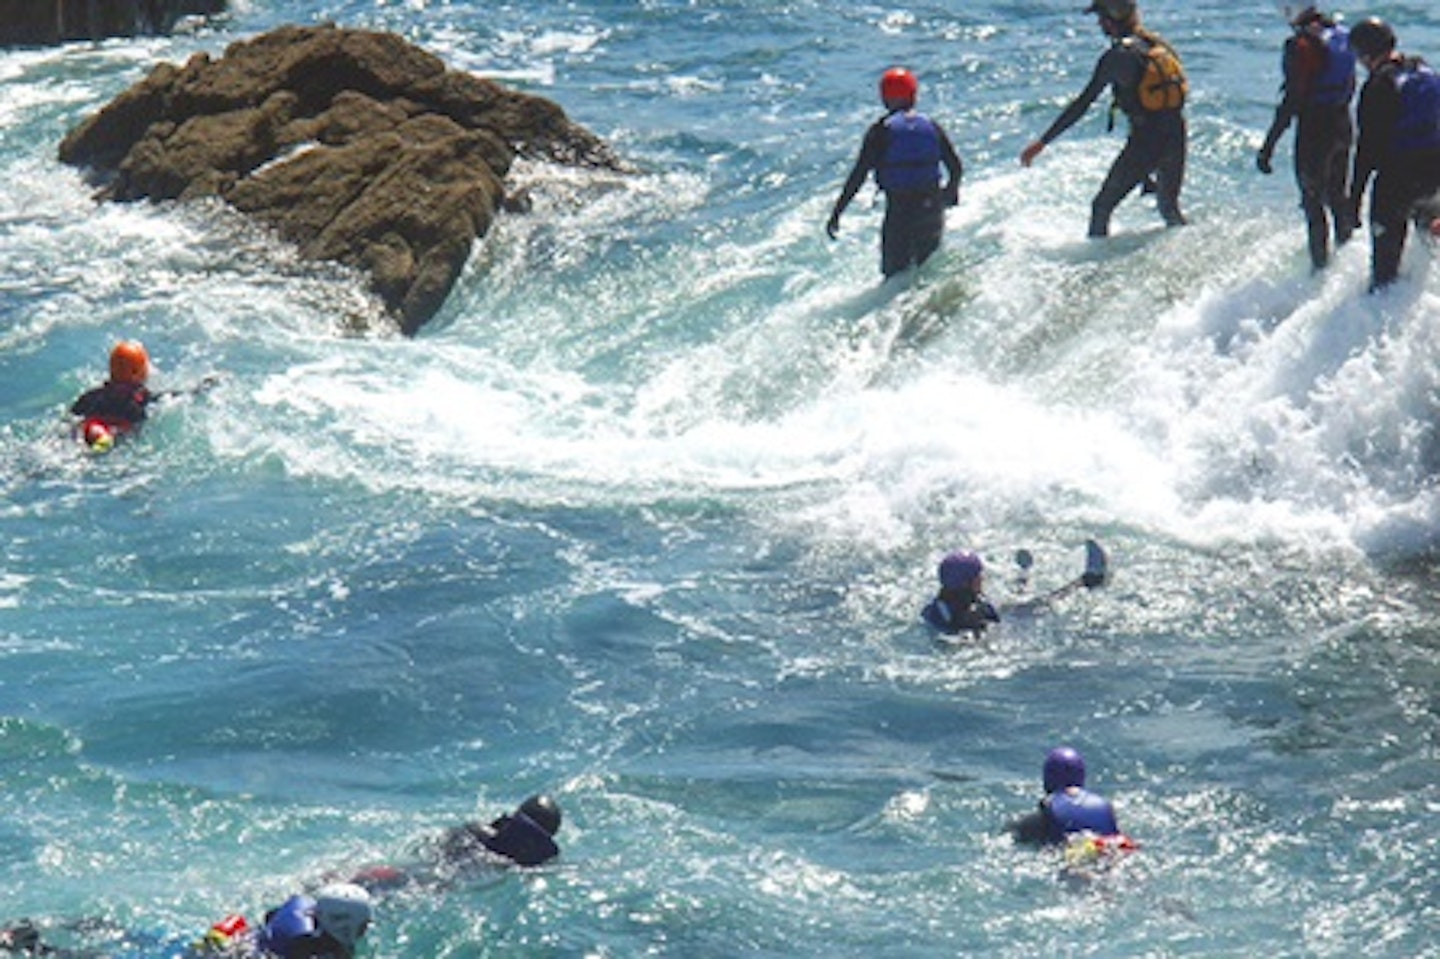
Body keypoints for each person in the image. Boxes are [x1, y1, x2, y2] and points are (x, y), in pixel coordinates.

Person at [1019, 0, 1188, 238]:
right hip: (1176, 135)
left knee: (1101, 207)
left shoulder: (1117, 57)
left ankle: (1094, 270)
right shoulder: (1157, 46)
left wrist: (1042, 142)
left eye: (1101, 18)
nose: (1100, 23)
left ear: (1112, 19)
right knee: (1169, 208)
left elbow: (1082, 103)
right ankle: (1190, 247)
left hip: (1146, 141)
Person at [826, 67, 964, 278]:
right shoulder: (932, 126)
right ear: (913, 95)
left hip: (900, 211)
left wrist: (837, 213)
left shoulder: (880, 131)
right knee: (928, 271)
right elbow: (955, 167)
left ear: (884, 97)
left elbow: (859, 175)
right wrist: (950, 192)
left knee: (895, 277)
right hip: (931, 208)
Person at [0, 883, 373, 958]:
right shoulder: (313, 951)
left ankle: (54, 925)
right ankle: (33, 947)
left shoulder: (305, 912)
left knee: (134, 938)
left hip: (226, 940)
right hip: (223, 954)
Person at [1256, 3, 1358, 271]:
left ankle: (1320, 270)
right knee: (1338, 196)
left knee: (1313, 203)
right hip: (1343, 123)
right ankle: (1348, 263)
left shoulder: (1299, 45)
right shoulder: (1343, 34)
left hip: (1315, 129)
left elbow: (1292, 100)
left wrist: (1269, 145)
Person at [1347, 17, 1440, 291]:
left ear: (1364, 55)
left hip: (1397, 183)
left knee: (1384, 275)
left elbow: (1366, 151)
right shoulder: (1425, 71)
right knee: (1430, 250)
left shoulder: (1378, 86)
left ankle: (1380, 320)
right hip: (1433, 179)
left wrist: (1354, 199)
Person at [348, 794, 564, 897]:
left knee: (384, 879)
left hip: (434, 872)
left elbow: (433, 845)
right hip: (441, 880)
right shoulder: (532, 861)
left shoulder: (478, 831)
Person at [1007, 746, 1132, 852]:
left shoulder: (1045, 813)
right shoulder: (1104, 805)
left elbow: (1015, 835)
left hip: (1075, 851)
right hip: (1111, 847)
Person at [70, 340, 154, 446]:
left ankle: (96, 433)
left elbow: (72, 415)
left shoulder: (91, 396)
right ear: (135, 373)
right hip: (121, 423)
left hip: (91, 421)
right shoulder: (139, 397)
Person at [921, 550, 1000, 636]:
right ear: (965, 583)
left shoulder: (979, 601)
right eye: (977, 576)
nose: (982, 578)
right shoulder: (945, 615)